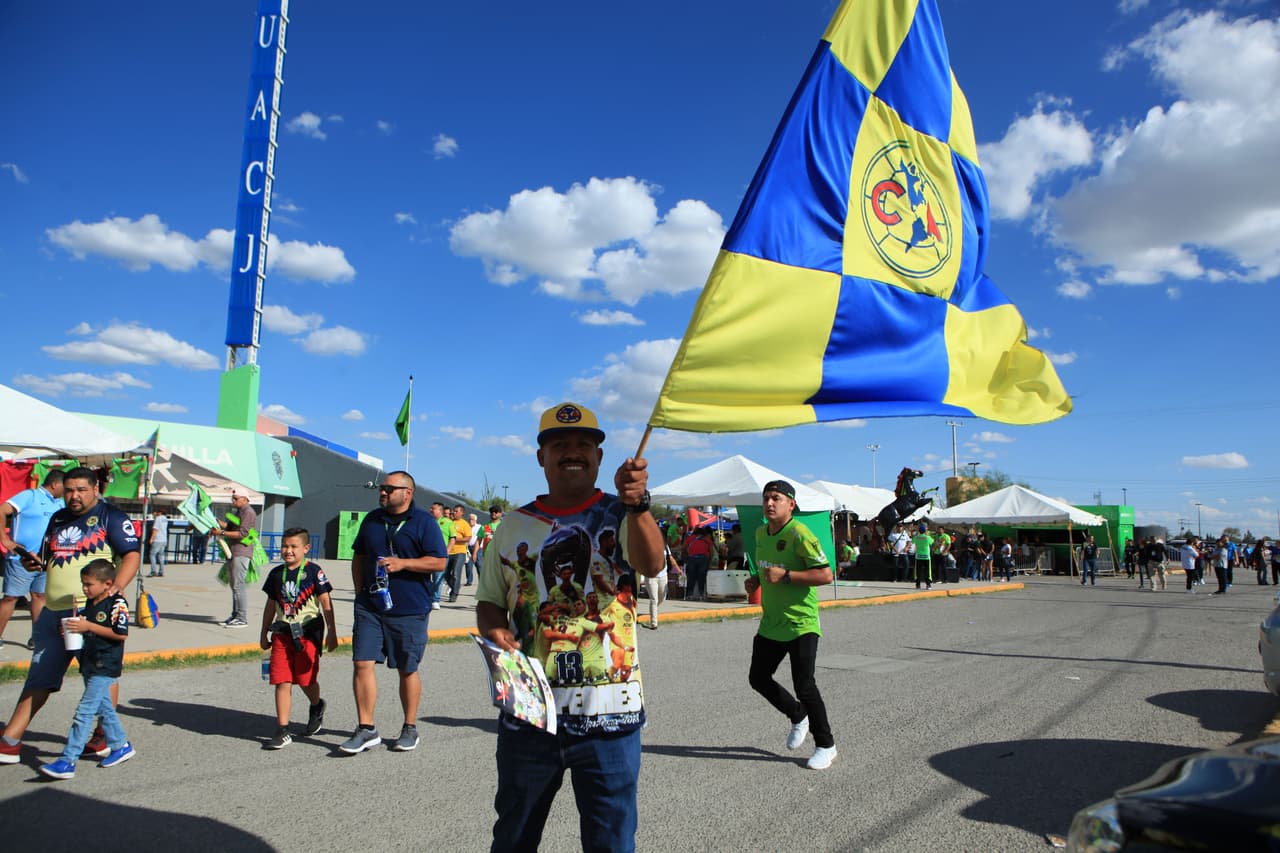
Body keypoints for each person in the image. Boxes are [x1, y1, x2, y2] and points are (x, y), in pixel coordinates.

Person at [476, 401, 663, 853]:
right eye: (559, 444)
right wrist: (495, 630)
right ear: (541, 457)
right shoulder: (511, 526)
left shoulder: (620, 515)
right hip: (531, 717)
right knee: (514, 837)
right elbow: (489, 602)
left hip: (609, 716)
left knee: (612, 841)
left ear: (600, 457)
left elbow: (651, 562)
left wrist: (638, 506)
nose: (572, 452)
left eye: (584, 444)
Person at [0, 466, 140, 764]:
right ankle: (11, 739)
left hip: (93, 613)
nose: (74, 496)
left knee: (99, 676)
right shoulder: (58, 518)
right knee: (40, 672)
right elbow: (52, 559)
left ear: (94, 489)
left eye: (81, 490)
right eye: (70, 489)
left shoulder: (111, 517)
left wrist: (116, 588)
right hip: (54, 611)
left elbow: (131, 554)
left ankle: (104, 736)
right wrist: (35, 565)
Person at [343, 471, 447, 754]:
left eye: (390, 488)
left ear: (408, 492)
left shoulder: (424, 522)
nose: (383, 492)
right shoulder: (372, 519)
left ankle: (409, 727)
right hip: (370, 606)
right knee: (362, 663)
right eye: (382, 487)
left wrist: (404, 564)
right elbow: (359, 556)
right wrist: (359, 593)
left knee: (407, 669)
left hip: (409, 608)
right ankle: (366, 728)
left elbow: (439, 562)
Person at [743, 479, 837, 771]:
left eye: (776, 499)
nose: (769, 504)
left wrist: (785, 576)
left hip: (801, 622)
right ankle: (798, 716)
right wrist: (757, 579)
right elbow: (765, 564)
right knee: (758, 678)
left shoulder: (800, 534)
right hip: (772, 622)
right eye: (766, 499)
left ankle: (826, 745)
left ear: (791, 504)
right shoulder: (760, 532)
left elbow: (825, 575)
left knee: (805, 685)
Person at [37, 559, 136, 779]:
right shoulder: (91, 602)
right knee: (104, 709)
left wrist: (88, 626)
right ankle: (121, 746)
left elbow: (120, 634)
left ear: (107, 583)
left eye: (89, 584)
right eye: (83, 583)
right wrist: (75, 629)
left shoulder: (116, 603)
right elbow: (88, 627)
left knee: (84, 712)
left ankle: (67, 760)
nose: (85, 588)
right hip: (89, 661)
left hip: (105, 664)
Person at [259, 527, 338, 749]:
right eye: (285, 546)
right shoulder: (276, 574)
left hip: (307, 634)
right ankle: (282, 729)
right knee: (281, 680)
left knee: (305, 680)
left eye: (294, 546)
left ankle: (316, 705)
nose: (288, 551)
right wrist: (263, 632)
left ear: (306, 548)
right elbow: (269, 606)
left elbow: (325, 602)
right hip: (282, 634)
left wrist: (332, 631)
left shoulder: (314, 571)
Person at [0, 470, 65, 652]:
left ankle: (37, 637)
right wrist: (4, 540)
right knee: (11, 597)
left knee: (40, 596)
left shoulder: (60, 503)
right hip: (21, 558)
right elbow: (2, 510)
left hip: (46, 558)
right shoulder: (30, 496)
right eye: (64, 486)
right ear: (54, 484)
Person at [211, 492, 257, 627]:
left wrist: (222, 533)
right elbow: (230, 527)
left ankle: (242, 618)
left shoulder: (248, 512)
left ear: (245, 499)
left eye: (236, 498)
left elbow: (243, 533)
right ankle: (235, 615)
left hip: (241, 551)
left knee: (238, 585)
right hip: (234, 551)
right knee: (235, 585)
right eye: (233, 498)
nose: (233, 500)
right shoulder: (238, 512)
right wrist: (219, 524)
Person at [643, 543, 675, 629]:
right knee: (654, 599)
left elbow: (670, 558)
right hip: (651, 576)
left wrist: (678, 570)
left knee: (662, 598)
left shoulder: (665, 546)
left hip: (663, 576)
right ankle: (654, 623)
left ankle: (653, 610)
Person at [445, 504, 472, 602]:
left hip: (459, 552)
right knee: (445, 573)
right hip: (448, 552)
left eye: (456, 511)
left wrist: (455, 539)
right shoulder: (448, 522)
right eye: (453, 511)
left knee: (456, 573)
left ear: (462, 513)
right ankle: (455, 587)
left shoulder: (464, 524)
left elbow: (468, 538)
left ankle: (454, 594)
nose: (454, 512)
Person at [429, 501, 453, 611]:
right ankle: (427, 597)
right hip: (428, 553)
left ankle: (435, 599)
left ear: (440, 510)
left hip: (441, 554)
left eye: (433, 508)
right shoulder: (428, 522)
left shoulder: (448, 522)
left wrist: (447, 551)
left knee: (438, 577)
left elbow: (453, 538)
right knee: (426, 577)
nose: (430, 510)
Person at [683, 526, 713, 601]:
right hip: (703, 559)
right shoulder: (707, 539)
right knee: (701, 577)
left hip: (692, 558)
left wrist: (687, 555)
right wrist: (709, 561)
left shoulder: (690, 538)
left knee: (691, 577)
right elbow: (711, 552)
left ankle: (689, 595)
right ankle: (701, 595)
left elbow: (683, 548)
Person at [911, 522, 934, 590]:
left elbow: (912, 542)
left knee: (918, 571)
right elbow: (932, 542)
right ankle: (928, 585)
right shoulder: (928, 537)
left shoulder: (916, 537)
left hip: (918, 556)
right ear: (925, 531)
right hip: (926, 556)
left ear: (919, 531)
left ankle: (918, 585)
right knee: (927, 571)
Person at [148, 508, 169, 578]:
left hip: (157, 539)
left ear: (159, 512)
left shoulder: (158, 519)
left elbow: (155, 529)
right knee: (161, 556)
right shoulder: (165, 519)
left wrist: (151, 539)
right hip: (164, 539)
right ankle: (161, 571)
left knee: (152, 555)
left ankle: (153, 571)